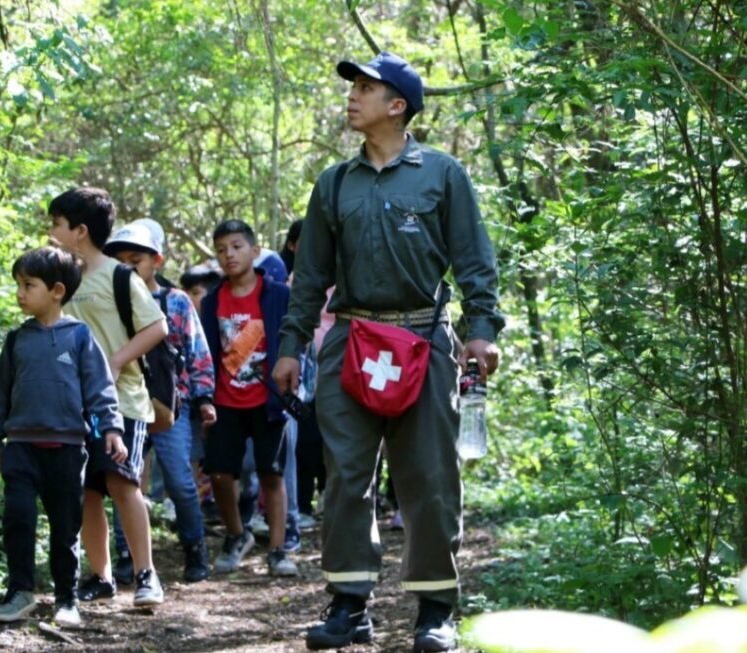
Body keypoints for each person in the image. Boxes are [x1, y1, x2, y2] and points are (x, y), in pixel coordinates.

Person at [273, 52, 504, 652]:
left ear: (397, 106)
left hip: (424, 339)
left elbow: (474, 258)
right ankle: (348, 605)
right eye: (352, 86)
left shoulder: (442, 175)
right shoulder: (334, 183)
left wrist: (482, 329)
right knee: (346, 475)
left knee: (427, 477)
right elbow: (309, 276)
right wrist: (292, 345)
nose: (352, 96)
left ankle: (434, 612)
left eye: (365, 88)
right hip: (350, 340)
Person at [0, 246, 126, 628]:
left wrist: (111, 428)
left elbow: (99, 388)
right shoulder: (16, 341)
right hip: (20, 447)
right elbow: (2, 393)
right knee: (18, 518)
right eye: (18, 284)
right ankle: (20, 591)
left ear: (57, 291)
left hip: (67, 449)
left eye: (28, 285)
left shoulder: (79, 337)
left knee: (66, 528)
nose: (19, 293)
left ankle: (67, 598)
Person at [47, 187, 168, 607]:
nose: (51, 231)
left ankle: (146, 574)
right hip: (72, 405)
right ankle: (99, 577)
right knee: (86, 491)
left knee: (122, 482)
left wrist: (114, 362)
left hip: (123, 402)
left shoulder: (120, 276)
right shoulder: (59, 279)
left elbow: (156, 327)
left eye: (57, 224)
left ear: (80, 231)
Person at [104, 219, 217, 583]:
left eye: (136, 259)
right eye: (121, 261)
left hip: (172, 404)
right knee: (126, 479)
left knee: (181, 480)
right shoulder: (110, 300)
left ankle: (194, 548)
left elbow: (197, 351)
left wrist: (204, 397)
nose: (129, 267)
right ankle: (127, 555)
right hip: (126, 404)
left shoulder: (176, 301)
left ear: (157, 261)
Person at [200, 219, 299, 577]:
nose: (229, 255)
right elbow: (207, 350)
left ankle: (277, 548)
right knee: (221, 473)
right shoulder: (212, 300)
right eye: (222, 249)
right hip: (225, 401)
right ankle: (237, 535)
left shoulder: (277, 295)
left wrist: (293, 384)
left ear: (255, 252)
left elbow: (292, 339)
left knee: (271, 474)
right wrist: (204, 397)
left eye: (237, 246)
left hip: (268, 400)